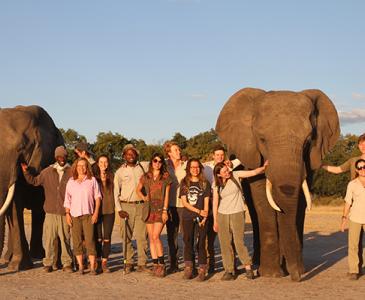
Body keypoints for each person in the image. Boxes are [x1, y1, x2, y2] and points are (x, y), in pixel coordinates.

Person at [212, 160, 268, 280]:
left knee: (239, 241)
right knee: (225, 243)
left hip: (237, 212)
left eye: (227, 170)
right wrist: (215, 220)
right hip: (222, 214)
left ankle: (248, 267)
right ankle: (229, 270)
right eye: (224, 172)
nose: (227, 172)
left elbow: (252, 173)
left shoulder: (235, 175)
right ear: (218, 175)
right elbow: (215, 202)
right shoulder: (216, 184)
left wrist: (263, 168)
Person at [21, 146, 73, 273]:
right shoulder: (48, 171)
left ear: (67, 157)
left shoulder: (72, 171)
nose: (61, 158)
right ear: (56, 157)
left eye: (64, 156)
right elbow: (35, 181)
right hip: (49, 212)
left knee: (65, 239)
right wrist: (26, 172)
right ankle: (48, 263)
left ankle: (67, 263)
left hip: (64, 212)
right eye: (59, 156)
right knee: (49, 239)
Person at [203, 145, 241, 273]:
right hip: (211, 203)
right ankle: (210, 263)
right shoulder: (207, 167)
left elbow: (242, 158)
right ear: (213, 155)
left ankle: (232, 265)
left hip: (226, 205)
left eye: (222, 155)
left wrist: (230, 163)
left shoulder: (228, 167)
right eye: (217, 155)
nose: (220, 157)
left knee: (229, 237)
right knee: (209, 236)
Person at [114, 144, 149, 273]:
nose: (131, 156)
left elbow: (158, 166)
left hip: (141, 205)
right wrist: (119, 209)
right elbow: (115, 192)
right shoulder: (120, 172)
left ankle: (142, 263)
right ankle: (129, 261)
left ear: (137, 155)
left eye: (133, 153)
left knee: (141, 236)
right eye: (128, 154)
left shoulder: (144, 167)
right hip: (125, 206)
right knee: (126, 236)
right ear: (124, 156)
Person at [136, 153, 172, 277]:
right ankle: (155, 264)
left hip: (161, 209)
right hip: (148, 209)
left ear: (162, 163)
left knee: (156, 236)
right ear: (151, 162)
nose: (157, 163)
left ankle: (162, 264)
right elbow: (138, 189)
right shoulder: (146, 176)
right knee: (151, 238)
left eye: (160, 161)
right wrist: (144, 197)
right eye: (155, 160)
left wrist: (165, 210)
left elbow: (167, 195)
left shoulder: (166, 176)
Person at [64, 157, 101, 275]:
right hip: (74, 215)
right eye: (79, 166)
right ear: (75, 167)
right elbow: (67, 199)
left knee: (90, 241)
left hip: (88, 215)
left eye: (84, 166)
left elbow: (98, 198)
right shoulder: (71, 181)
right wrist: (67, 214)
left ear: (87, 167)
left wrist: (95, 213)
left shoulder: (92, 180)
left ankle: (92, 267)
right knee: (77, 241)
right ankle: (80, 266)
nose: (81, 168)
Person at [180, 158, 211, 281]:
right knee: (188, 241)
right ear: (188, 169)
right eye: (192, 167)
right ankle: (189, 267)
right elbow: (184, 202)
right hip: (188, 216)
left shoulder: (205, 183)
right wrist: (198, 211)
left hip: (202, 218)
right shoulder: (184, 182)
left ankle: (202, 269)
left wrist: (204, 216)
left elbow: (206, 202)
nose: (195, 169)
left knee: (201, 243)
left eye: (197, 167)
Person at [164, 141, 187, 273]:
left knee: (186, 236)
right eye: (176, 150)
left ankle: (189, 263)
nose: (179, 151)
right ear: (169, 153)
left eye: (179, 149)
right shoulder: (164, 166)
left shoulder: (186, 165)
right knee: (172, 237)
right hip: (170, 205)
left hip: (184, 205)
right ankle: (173, 264)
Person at [340, 159, 365, 280]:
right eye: (359, 168)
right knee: (353, 245)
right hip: (355, 217)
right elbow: (348, 202)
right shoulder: (352, 184)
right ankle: (353, 270)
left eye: (364, 167)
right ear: (356, 170)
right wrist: (344, 218)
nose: (362, 170)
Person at [93, 155, 115, 273]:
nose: (103, 164)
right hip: (96, 211)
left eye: (105, 162)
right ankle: (96, 261)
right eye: (101, 162)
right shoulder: (93, 178)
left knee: (107, 238)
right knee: (98, 237)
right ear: (97, 163)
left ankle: (104, 262)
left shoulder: (113, 176)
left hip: (109, 211)